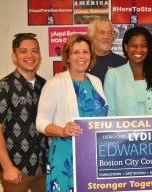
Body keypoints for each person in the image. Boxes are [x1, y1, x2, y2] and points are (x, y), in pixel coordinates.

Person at [36, 34, 108, 191]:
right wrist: (62, 130)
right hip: (65, 154)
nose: (81, 56)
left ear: (91, 55)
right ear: (67, 57)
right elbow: (40, 123)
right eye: (75, 52)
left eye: (85, 52)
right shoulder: (55, 83)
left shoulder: (96, 81)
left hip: (93, 155)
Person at [0, 33, 48, 192]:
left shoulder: (46, 86)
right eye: (24, 51)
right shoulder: (3, 87)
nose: (30, 55)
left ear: (39, 55)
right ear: (14, 56)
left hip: (43, 166)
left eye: (34, 51)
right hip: (16, 168)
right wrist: (7, 167)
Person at [104, 26, 152, 117]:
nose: (138, 50)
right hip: (124, 130)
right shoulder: (113, 75)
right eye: (134, 46)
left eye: (143, 46)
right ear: (126, 47)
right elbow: (111, 112)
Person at [87, 17, 127, 83]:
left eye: (110, 33)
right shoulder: (83, 62)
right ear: (91, 36)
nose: (107, 37)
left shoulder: (122, 63)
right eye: (102, 33)